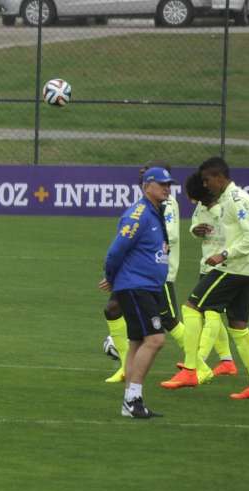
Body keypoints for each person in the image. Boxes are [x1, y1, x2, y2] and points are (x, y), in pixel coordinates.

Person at [161, 157, 249, 399]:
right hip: (245, 269)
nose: (205, 185)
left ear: (219, 177)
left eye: (207, 180)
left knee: (191, 307)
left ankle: (191, 369)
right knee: (238, 327)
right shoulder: (229, 198)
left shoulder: (236, 199)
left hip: (233, 268)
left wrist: (224, 254)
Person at [98, 166, 175, 419]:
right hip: (137, 286)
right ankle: (133, 399)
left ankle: (130, 402)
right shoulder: (139, 214)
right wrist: (111, 277)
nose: (167, 188)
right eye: (162, 184)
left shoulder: (155, 212)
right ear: (147, 186)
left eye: (169, 184)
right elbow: (116, 250)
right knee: (155, 340)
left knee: (137, 343)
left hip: (147, 285)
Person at [179, 172, 235, 375]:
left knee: (210, 312)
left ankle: (198, 360)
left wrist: (213, 208)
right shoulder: (201, 206)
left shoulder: (227, 204)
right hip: (207, 264)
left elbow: (232, 228)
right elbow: (195, 223)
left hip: (225, 265)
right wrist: (195, 230)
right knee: (210, 313)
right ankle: (227, 361)